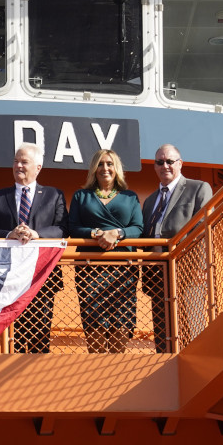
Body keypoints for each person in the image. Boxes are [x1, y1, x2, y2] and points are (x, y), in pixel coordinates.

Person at [0, 143, 67, 353]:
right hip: (6, 280)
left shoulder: (54, 195)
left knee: (39, 339)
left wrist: (38, 235)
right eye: (16, 161)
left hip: (41, 277)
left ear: (38, 167)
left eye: (24, 162)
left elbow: (63, 228)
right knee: (9, 339)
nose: (18, 165)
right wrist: (9, 234)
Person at [68, 149, 144, 353]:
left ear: (117, 168)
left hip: (123, 269)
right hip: (90, 269)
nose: (105, 168)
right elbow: (72, 228)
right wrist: (96, 234)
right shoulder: (81, 196)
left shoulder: (130, 197)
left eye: (109, 164)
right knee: (94, 319)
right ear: (93, 169)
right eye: (100, 164)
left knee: (122, 319)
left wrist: (117, 234)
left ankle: (115, 367)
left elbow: (138, 228)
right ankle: (97, 363)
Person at [142, 143, 213, 353]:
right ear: (154, 166)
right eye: (159, 162)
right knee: (163, 333)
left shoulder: (198, 188)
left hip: (187, 270)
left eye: (170, 161)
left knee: (191, 328)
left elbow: (203, 228)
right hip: (157, 274)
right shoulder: (150, 201)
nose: (165, 165)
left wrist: (198, 266)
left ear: (180, 163)